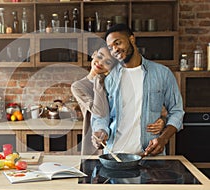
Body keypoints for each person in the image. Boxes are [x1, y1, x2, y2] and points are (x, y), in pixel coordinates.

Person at [91, 24, 184, 157]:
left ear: (132, 39)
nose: (115, 49)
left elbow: (177, 111)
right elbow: (101, 116)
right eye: (111, 48)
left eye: (118, 43)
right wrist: (100, 131)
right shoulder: (108, 78)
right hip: (115, 156)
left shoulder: (162, 73)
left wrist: (163, 138)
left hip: (149, 156)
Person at [71, 42, 165, 155]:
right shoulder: (79, 86)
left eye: (108, 62)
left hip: (120, 139)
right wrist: (98, 81)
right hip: (96, 139)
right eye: (99, 56)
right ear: (94, 54)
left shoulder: (115, 83)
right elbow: (99, 112)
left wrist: (162, 120)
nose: (100, 63)